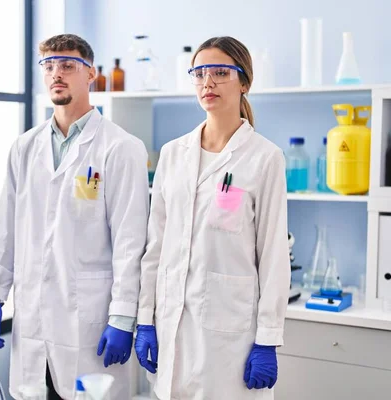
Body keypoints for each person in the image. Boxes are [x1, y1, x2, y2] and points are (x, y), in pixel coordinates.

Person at [0, 34, 149, 400]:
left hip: (88, 322)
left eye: (68, 66)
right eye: (49, 66)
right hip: (34, 319)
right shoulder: (24, 147)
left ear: (91, 75)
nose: (57, 73)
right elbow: (5, 228)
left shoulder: (121, 147)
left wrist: (122, 316)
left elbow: (130, 241)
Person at [134, 36, 290, 399]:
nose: (208, 82)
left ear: (245, 83)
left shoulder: (265, 158)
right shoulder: (173, 154)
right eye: (199, 73)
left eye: (221, 72)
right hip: (170, 326)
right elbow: (155, 245)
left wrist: (268, 338)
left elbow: (273, 256)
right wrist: (145, 319)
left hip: (230, 339)